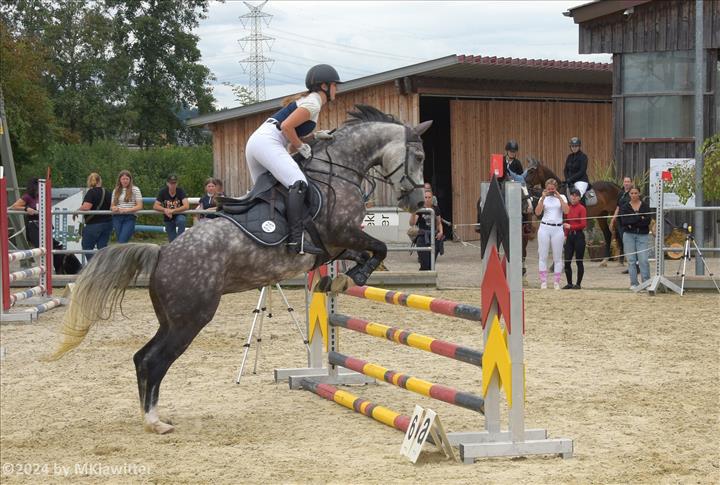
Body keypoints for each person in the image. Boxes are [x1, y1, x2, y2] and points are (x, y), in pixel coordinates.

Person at [244, 64, 341, 255]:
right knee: (298, 182)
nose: (337, 89)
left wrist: (314, 137)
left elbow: (290, 137)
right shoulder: (313, 103)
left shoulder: (309, 101)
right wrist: (301, 146)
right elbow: (286, 127)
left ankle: (265, 236)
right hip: (268, 142)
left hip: (258, 143)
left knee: (266, 192)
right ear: (324, 86)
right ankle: (297, 241)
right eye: (335, 85)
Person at [9, 177, 69, 273]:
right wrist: (26, 208)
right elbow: (14, 206)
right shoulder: (27, 196)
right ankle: (47, 269)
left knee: (56, 246)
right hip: (33, 226)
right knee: (43, 247)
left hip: (43, 224)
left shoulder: (41, 196)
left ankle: (58, 269)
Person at [534, 178, 569, 289]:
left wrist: (559, 197)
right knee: (543, 255)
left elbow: (566, 211)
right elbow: (537, 212)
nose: (551, 191)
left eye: (552, 189)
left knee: (557, 257)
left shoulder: (562, 197)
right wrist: (543, 198)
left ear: (556, 188)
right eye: (549, 189)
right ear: (546, 188)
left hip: (557, 228)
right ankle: (543, 282)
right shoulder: (543, 198)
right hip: (545, 227)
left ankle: (556, 282)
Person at [618, 187, 652, 290]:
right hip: (628, 235)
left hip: (642, 235)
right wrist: (639, 218)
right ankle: (634, 283)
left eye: (635, 193)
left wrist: (633, 220)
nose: (633, 195)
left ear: (639, 194)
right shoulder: (625, 207)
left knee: (643, 260)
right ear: (629, 194)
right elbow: (624, 221)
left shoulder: (645, 206)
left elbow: (647, 221)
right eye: (632, 193)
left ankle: (646, 283)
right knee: (631, 260)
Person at [78, 172, 112, 262]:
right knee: (102, 248)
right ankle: (104, 266)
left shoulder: (91, 192)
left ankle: (94, 266)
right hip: (108, 223)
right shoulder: (107, 192)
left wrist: (77, 211)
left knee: (87, 246)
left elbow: (86, 207)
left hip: (94, 224)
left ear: (89, 181)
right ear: (100, 181)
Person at [409, 190, 444, 271]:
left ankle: (429, 277)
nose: (427, 199)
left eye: (429, 197)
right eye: (425, 197)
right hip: (422, 237)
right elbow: (412, 223)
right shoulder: (419, 209)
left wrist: (441, 232)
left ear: (432, 198)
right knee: (424, 263)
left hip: (434, 236)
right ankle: (423, 276)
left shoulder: (435, 208)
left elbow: (439, 223)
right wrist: (413, 213)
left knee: (431, 263)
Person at [562, 188, 587, 289]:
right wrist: (565, 235)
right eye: (572, 195)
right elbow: (566, 222)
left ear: (579, 198)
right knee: (567, 260)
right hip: (570, 236)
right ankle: (569, 283)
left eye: (576, 196)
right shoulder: (568, 208)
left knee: (579, 261)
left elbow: (583, 224)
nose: (573, 197)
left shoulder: (582, 208)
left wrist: (571, 227)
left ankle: (578, 284)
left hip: (579, 236)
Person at [111, 170, 143, 243]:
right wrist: (114, 208)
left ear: (130, 180)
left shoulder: (135, 189)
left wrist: (127, 210)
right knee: (120, 240)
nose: (125, 181)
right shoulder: (116, 190)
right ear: (120, 180)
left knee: (122, 241)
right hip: (117, 217)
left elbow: (140, 206)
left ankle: (120, 251)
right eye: (123, 179)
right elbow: (112, 205)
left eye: (127, 179)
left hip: (129, 217)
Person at [611, 176, 634, 271]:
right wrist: (613, 218)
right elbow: (618, 207)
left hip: (629, 221)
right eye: (625, 181)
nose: (626, 183)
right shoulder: (621, 193)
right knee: (622, 239)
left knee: (628, 241)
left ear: (631, 183)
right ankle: (623, 260)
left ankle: (631, 263)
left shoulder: (632, 193)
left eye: (628, 181)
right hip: (620, 220)